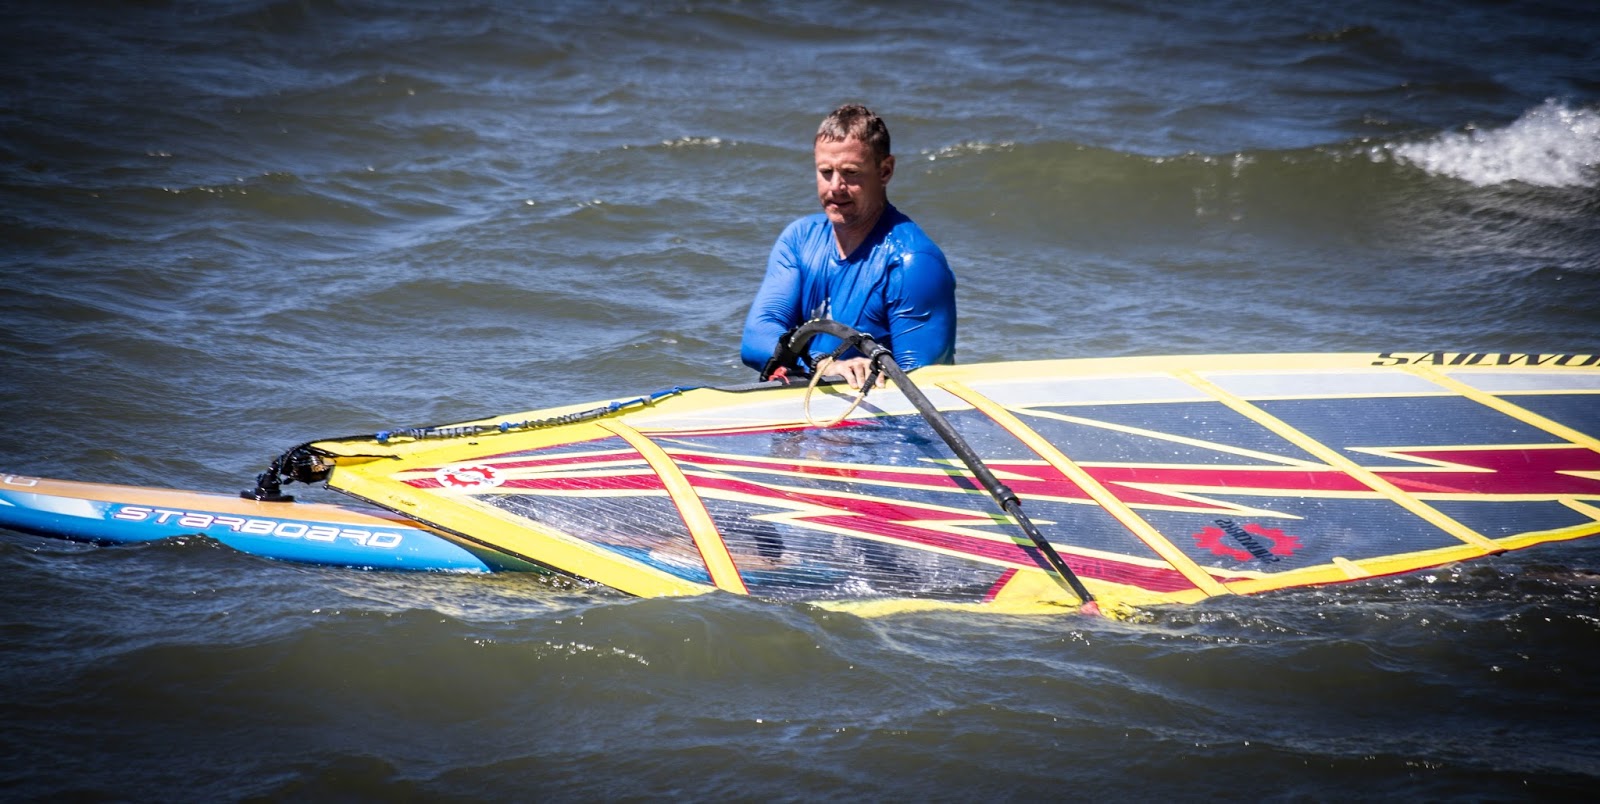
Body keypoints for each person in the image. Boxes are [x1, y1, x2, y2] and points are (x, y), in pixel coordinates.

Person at [740, 104, 956, 388]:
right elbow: (756, 338)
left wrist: (871, 371)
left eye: (851, 173)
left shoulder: (913, 263)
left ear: (885, 171)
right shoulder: (799, 240)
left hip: (880, 425)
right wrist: (825, 364)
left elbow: (922, 386)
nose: (835, 187)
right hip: (810, 405)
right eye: (825, 171)